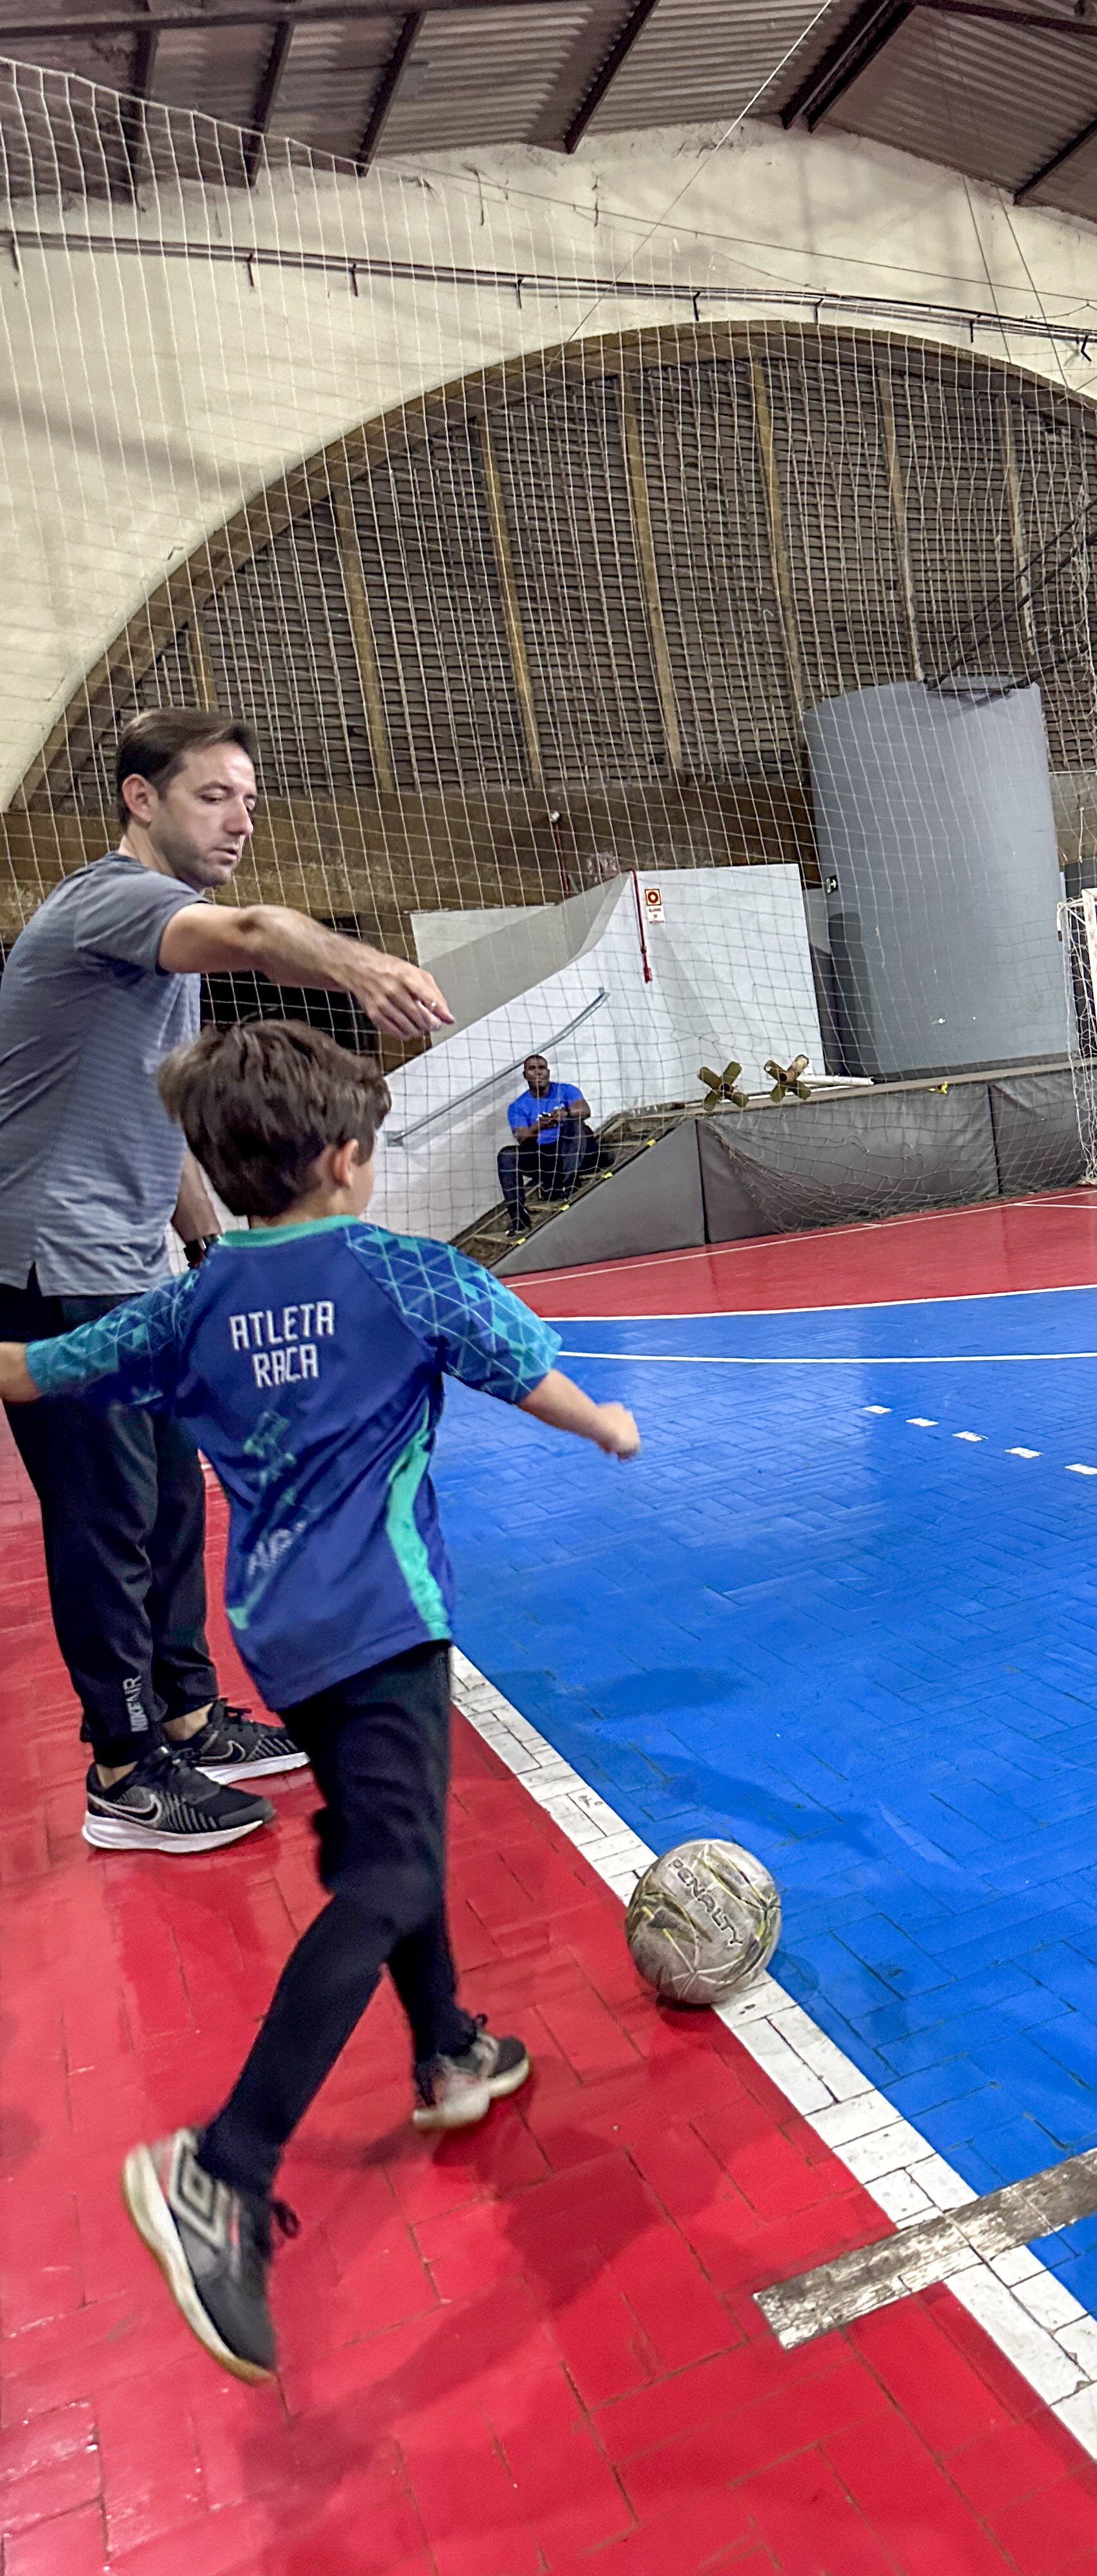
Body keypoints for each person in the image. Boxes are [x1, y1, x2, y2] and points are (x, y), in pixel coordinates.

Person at [0, 1019, 640, 2383]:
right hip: (388, 1624)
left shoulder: (192, 1301)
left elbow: (34, 1369)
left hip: (278, 1640)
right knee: (391, 1873)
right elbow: (526, 1372)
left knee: (390, 1851)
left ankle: (449, 2049)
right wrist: (605, 1423)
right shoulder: (406, 1272)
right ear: (347, 1155)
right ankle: (220, 2168)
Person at [0, 708, 456, 1853]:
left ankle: (189, 1718)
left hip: (127, 1261)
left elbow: (154, 1124)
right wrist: (356, 962)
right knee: (104, 1519)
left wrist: (208, 1254)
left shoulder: (159, 963)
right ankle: (123, 1771)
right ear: (140, 798)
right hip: (52, 1263)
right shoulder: (111, 903)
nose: (241, 820)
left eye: (250, 800)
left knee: (166, 1498)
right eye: (214, 795)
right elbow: (253, 929)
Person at [497, 1054, 596, 1234]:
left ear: (548, 1072)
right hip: (546, 1157)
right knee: (507, 1155)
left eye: (542, 1068)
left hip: (574, 1149)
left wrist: (565, 1113)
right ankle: (518, 1218)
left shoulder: (566, 1090)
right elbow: (521, 1137)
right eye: (532, 1069)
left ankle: (567, 1185)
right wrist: (538, 1126)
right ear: (525, 1075)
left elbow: (585, 1110)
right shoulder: (517, 1106)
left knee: (576, 1123)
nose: (538, 1073)